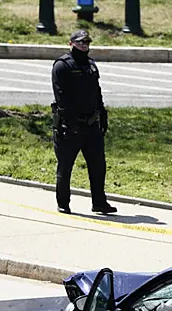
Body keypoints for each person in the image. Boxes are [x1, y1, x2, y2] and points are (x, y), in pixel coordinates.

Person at [51, 29, 117, 215]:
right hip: (70, 127)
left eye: (86, 43)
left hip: (91, 125)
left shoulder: (90, 65)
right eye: (80, 43)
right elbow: (61, 97)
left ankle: (99, 202)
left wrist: (102, 114)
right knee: (65, 166)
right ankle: (63, 203)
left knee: (98, 166)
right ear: (70, 43)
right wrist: (71, 123)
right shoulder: (62, 66)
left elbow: (97, 92)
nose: (84, 46)